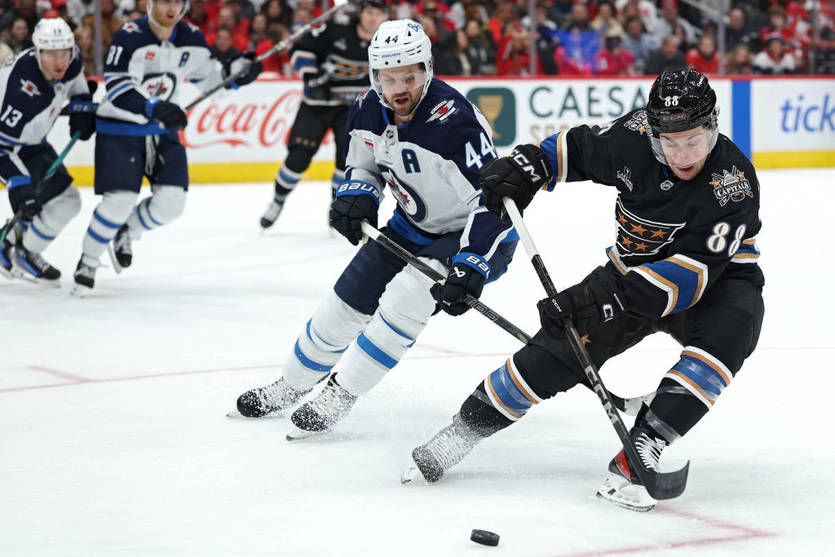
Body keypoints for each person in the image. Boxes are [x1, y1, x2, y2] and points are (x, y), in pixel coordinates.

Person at [404, 68, 764, 513]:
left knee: (729, 337)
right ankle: (461, 432)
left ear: (712, 127)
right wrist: (530, 164)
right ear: (652, 134)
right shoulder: (631, 138)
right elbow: (575, 149)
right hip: (630, 269)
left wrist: (599, 300)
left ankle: (643, 446)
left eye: (693, 140)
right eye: (669, 143)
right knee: (551, 356)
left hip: (718, 282)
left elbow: (689, 279)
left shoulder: (733, 183)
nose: (682, 154)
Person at [235, 19, 519, 440]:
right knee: (347, 299)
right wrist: (359, 194)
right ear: (375, 77)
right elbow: (364, 165)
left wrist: (472, 261)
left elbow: (493, 203)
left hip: (469, 236)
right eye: (389, 77)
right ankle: (292, 383)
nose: (400, 86)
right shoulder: (366, 107)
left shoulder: (455, 122)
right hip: (410, 225)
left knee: (408, 296)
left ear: (427, 70)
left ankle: (341, 394)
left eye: (410, 75)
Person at [71, 0, 262, 294]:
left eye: (177, 1)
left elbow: (211, 81)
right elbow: (118, 88)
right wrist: (153, 107)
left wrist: (238, 73)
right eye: (164, 0)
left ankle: (127, 231)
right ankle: (88, 259)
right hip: (120, 129)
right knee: (119, 201)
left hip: (161, 130)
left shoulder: (193, 38)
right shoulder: (129, 36)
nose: (170, 7)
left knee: (172, 204)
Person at [258, 0, 386, 231]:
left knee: (346, 162)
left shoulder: (384, 42)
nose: (373, 18)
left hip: (351, 109)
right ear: (361, 14)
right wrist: (311, 77)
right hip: (317, 105)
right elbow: (300, 50)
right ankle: (277, 201)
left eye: (378, 13)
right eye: (369, 12)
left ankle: (336, 207)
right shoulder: (336, 30)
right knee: (298, 158)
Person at [0, 18, 95, 285]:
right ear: (37, 51)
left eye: (64, 53)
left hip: (34, 144)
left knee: (67, 201)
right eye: (52, 55)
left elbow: (77, 82)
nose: (60, 61)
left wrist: (81, 105)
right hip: (10, 150)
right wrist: (18, 185)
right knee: (39, 201)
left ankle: (12, 243)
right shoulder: (18, 91)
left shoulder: (72, 60)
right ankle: (24, 252)